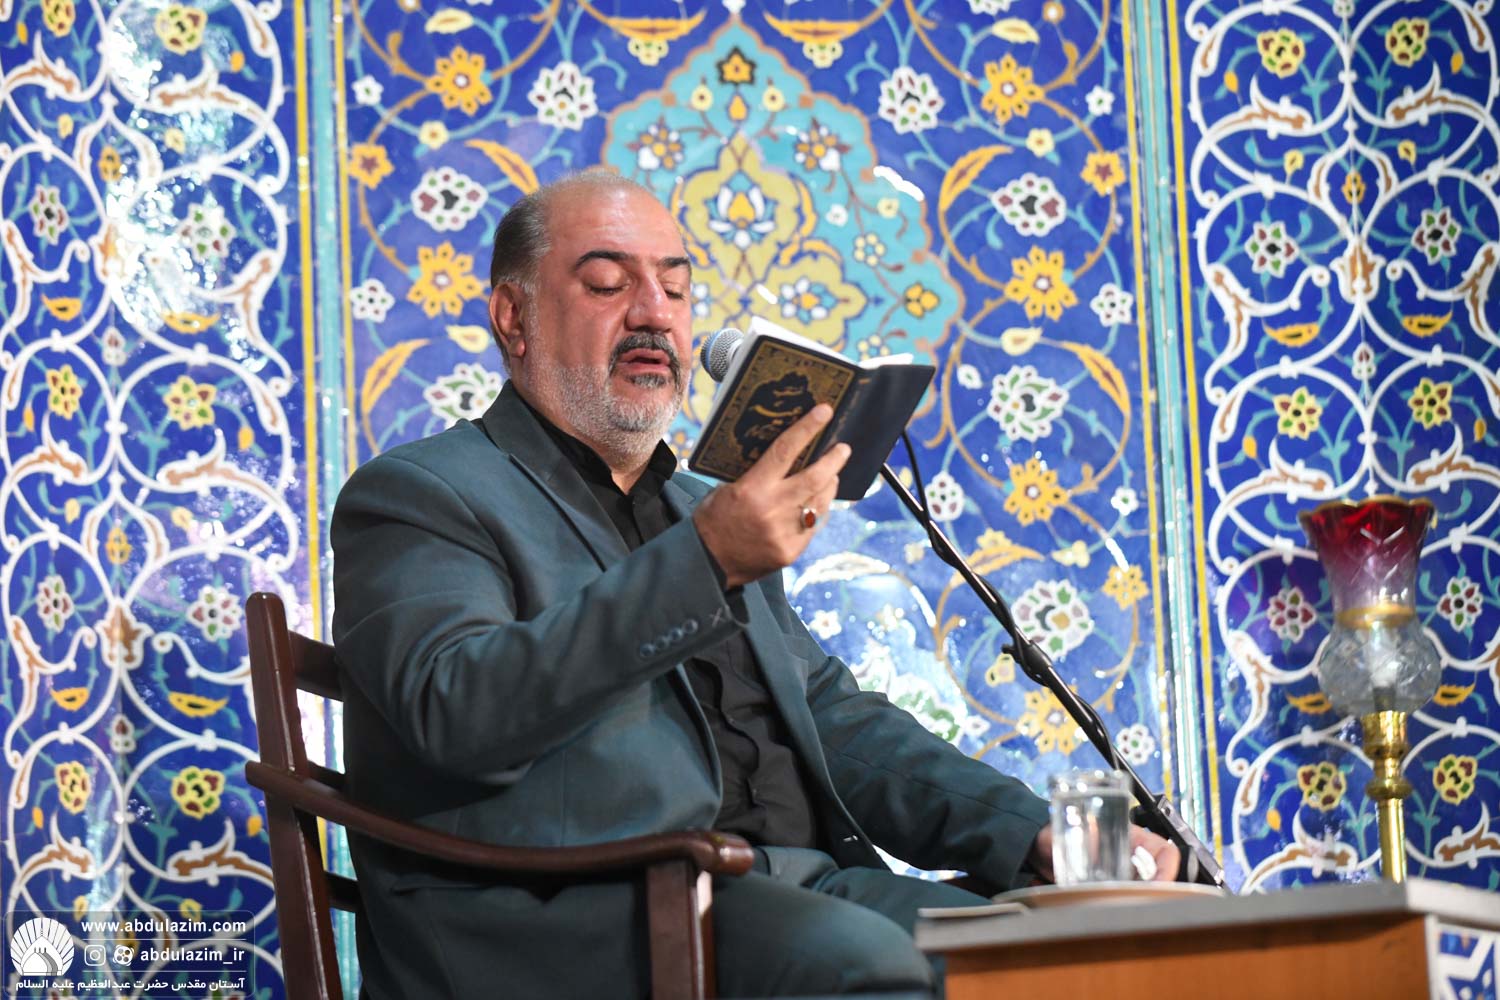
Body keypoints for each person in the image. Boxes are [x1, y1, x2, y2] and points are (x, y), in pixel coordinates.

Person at [330, 169, 1179, 999]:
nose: (653, 314)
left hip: (793, 888)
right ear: (513, 317)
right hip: (580, 912)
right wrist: (705, 562)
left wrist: (1028, 832)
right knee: (866, 963)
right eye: (607, 284)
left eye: (675, 288)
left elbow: (830, 720)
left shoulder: (699, 508)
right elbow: (455, 710)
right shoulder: (423, 494)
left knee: (1084, 956)